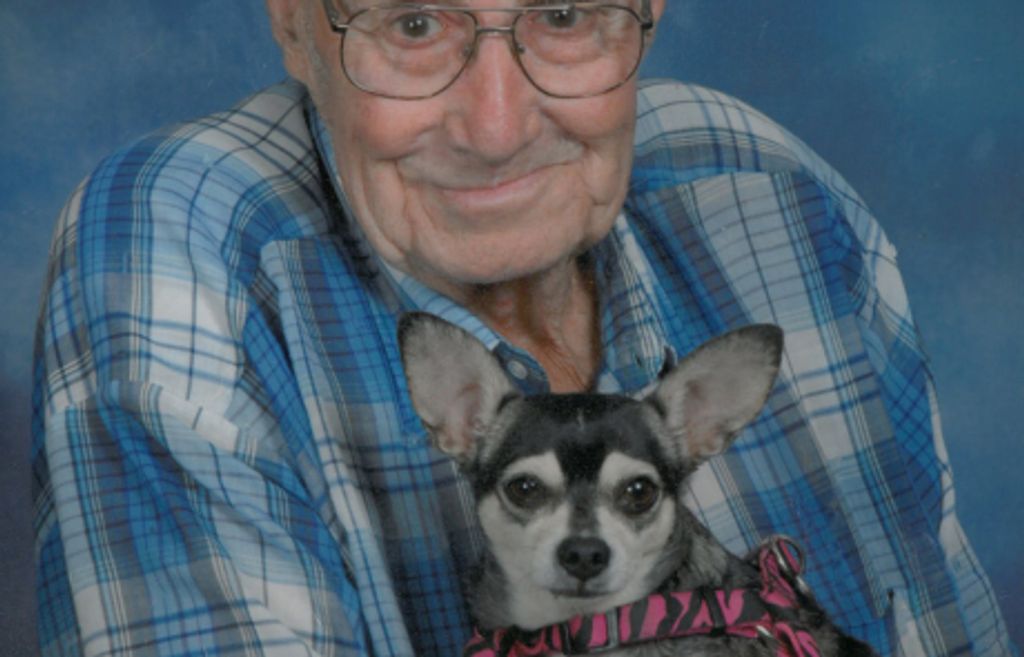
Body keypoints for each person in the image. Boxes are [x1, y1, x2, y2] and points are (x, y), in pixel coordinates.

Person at [32, 0, 1014, 655]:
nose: (496, 128)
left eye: (564, 14)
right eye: (414, 23)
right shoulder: (190, 235)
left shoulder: (771, 195)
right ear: (294, 21)